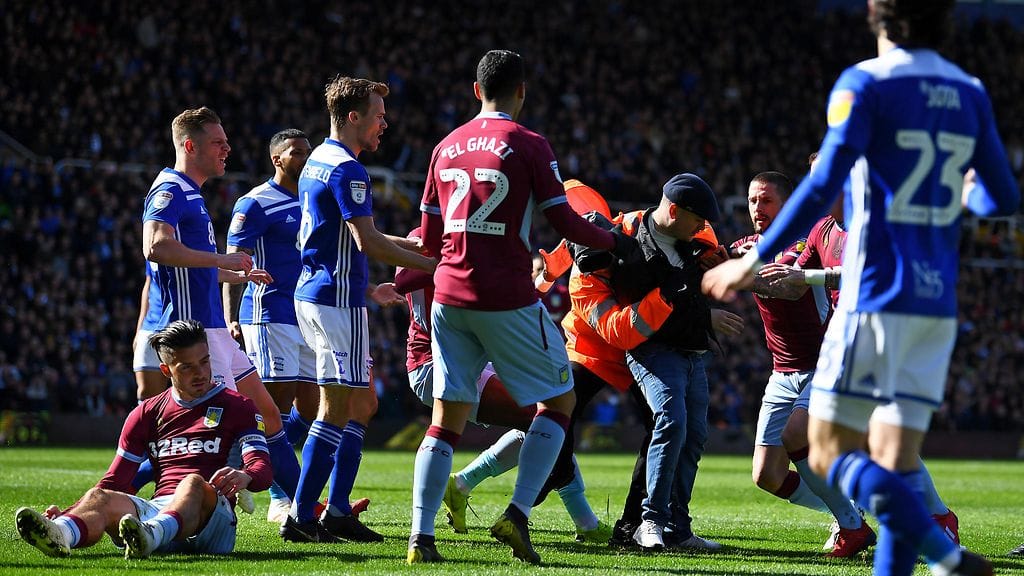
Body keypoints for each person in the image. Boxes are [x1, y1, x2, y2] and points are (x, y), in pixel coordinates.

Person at [701, 1, 1020, 574]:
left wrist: (756, 261)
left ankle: (944, 554)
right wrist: (966, 190)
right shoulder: (969, 90)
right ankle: (928, 546)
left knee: (823, 451)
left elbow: (823, 184)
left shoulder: (864, 83)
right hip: (937, 305)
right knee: (895, 464)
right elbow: (1003, 199)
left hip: (876, 294)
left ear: (876, 16)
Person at [407, 49, 633, 565]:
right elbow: (567, 224)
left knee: (446, 418)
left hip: (448, 296)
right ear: (522, 92)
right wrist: (617, 242)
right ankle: (517, 514)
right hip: (505, 296)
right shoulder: (529, 143)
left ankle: (421, 539)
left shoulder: (444, 147)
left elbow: (431, 236)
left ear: (475, 90)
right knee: (560, 402)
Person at [286, 75, 433, 544]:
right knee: (335, 410)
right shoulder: (348, 170)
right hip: (335, 301)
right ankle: (303, 516)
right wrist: (432, 263)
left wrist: (410, 245)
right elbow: (366, 242)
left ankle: (336, 511)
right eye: (377, 116)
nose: (384, 124)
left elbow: (353, 237)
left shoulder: (318, 162)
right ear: (353, 117)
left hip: (317, 295)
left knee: (359, 404)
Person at [394, 226, 610, 544]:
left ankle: (458, 492)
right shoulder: (451, 243)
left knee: (547, 415)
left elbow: (406, 280)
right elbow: (410, 280)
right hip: (439, 363)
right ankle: (582, 521)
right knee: (547, 416)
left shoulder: (433, 239)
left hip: (457, 359)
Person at [141, 106, 302, 515]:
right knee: (228, 425)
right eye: (218, 142)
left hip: (213, 330)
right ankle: (123, 489)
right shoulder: (170, 189)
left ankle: (307, 506)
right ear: (190, 145)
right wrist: (219, 260)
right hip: (197, 336)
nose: (227, 149)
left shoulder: (192, 193)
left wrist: (238, 274)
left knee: (269, 414)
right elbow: (155, 247)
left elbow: (195, 269)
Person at [575, 173, 742, 552]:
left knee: (694, 435)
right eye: (697, 218)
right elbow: (627, 323)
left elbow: (691, 290)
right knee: (672, 423)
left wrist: (706, 316)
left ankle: (677, 528)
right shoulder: (629, 244)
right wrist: (676, 298)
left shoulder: (691, 240)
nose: (704, 226)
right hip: (652, 351)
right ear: (672, 209)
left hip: (692, 351)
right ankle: (650, 521)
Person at [14, 319, 273, 559]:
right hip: (158, 512)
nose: (201, 373)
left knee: (192, 483)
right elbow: (115, 481)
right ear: (165, 369)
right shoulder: (146, 413)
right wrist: (71, 510)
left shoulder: (238, 406)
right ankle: (61, 533)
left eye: (205, 362)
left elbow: (262, 470)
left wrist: (244, 476)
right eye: (187, 367)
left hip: (212, 520)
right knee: (100, 495)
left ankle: (150, 535)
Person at [731, 171, 874, 558]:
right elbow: (716, 261)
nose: (757, 209)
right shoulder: (746, 245)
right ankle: (849, 511)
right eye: (752, 201)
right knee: (767, 475)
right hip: (782, 372)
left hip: (822, 366)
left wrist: (741, 273)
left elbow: (787, 284)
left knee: (807, 437)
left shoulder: (804, 243)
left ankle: (854, 521)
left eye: (766, 201)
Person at [223, 129, 320, 523]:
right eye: (297, 152)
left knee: (313, 410)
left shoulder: (314, 198)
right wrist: (231, 316)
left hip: (308, 314)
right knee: (273, 409)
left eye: (308, 152)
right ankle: (281, 496)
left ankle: (243, 464)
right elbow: (232, 261)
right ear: (277, 158)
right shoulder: (255, 203)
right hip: (268, 314)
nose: (305, 158)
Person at [132, 265, 169, 401]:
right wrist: (139, 328)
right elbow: (149, 284)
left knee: (189, 393)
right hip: (151, 327)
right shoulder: (150, 247)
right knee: (146, 396)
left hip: (180, 326)